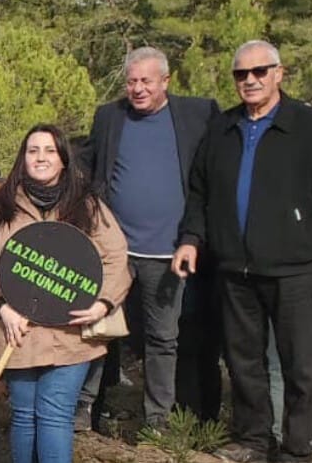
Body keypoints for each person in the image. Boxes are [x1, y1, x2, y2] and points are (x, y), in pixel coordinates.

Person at [172, 41, 312, 463]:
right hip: (234, 268)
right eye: (241, 74)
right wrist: (192, 238)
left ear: (279, 73)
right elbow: (199, 191)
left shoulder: (307, 127)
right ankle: (252, 439)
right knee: (243, 360)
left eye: (259, 71)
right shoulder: (223, 128)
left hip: (295, 268)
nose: (249, 80)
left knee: (299, 364)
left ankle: (297, 450)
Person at [0, 125, 130, 463]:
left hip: (72, 335)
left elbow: (116, 257)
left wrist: (103, 303)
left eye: (49, 151)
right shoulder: (0, 207)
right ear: (22, 159)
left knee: (55, 412)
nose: (41, 158)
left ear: (63, 160)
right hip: (17, 333)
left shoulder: (86, 205)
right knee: (24, 414)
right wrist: (1, 307)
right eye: (33, 151)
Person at [75, 46, 222, 435]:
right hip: (114, 251)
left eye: (146, 81)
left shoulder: (197, 114)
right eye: (132, 81)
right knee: (98, 331)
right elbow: (87, 167)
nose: (137, 89)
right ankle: (84, 409)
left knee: (163, 339)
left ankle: (157, 419)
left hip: (167, 253)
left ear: (165, 82)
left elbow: (210, 179)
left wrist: (195, 235)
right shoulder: (110, 116)